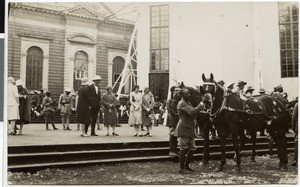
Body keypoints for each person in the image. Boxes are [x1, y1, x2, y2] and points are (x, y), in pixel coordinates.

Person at [174, 87, 204, 174]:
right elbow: (193, 112)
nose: (189, 94)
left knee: (192, 148)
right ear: (182, 95)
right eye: (186, 93)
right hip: (183, 127)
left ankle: (186, 165)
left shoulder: (187, 102)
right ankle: (181, 167)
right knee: (183, 148)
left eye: (188, 93)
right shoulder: (182, 103)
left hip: (189, 127)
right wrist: (201, 104)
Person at [167, 86, 181, 157]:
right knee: (172, 134)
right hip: (172, 119)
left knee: (176, 135)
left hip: (177, 119)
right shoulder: (170, 100)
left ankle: (175, 150)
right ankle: (171, 150)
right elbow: (168, 109)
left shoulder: (179, 101)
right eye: (176, 91)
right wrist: (174, 112)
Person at [292, 102, 298, 166]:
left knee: (297, 144)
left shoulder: (297, 104)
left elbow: (294, 116)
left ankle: (295, 159)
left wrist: (293, 126)